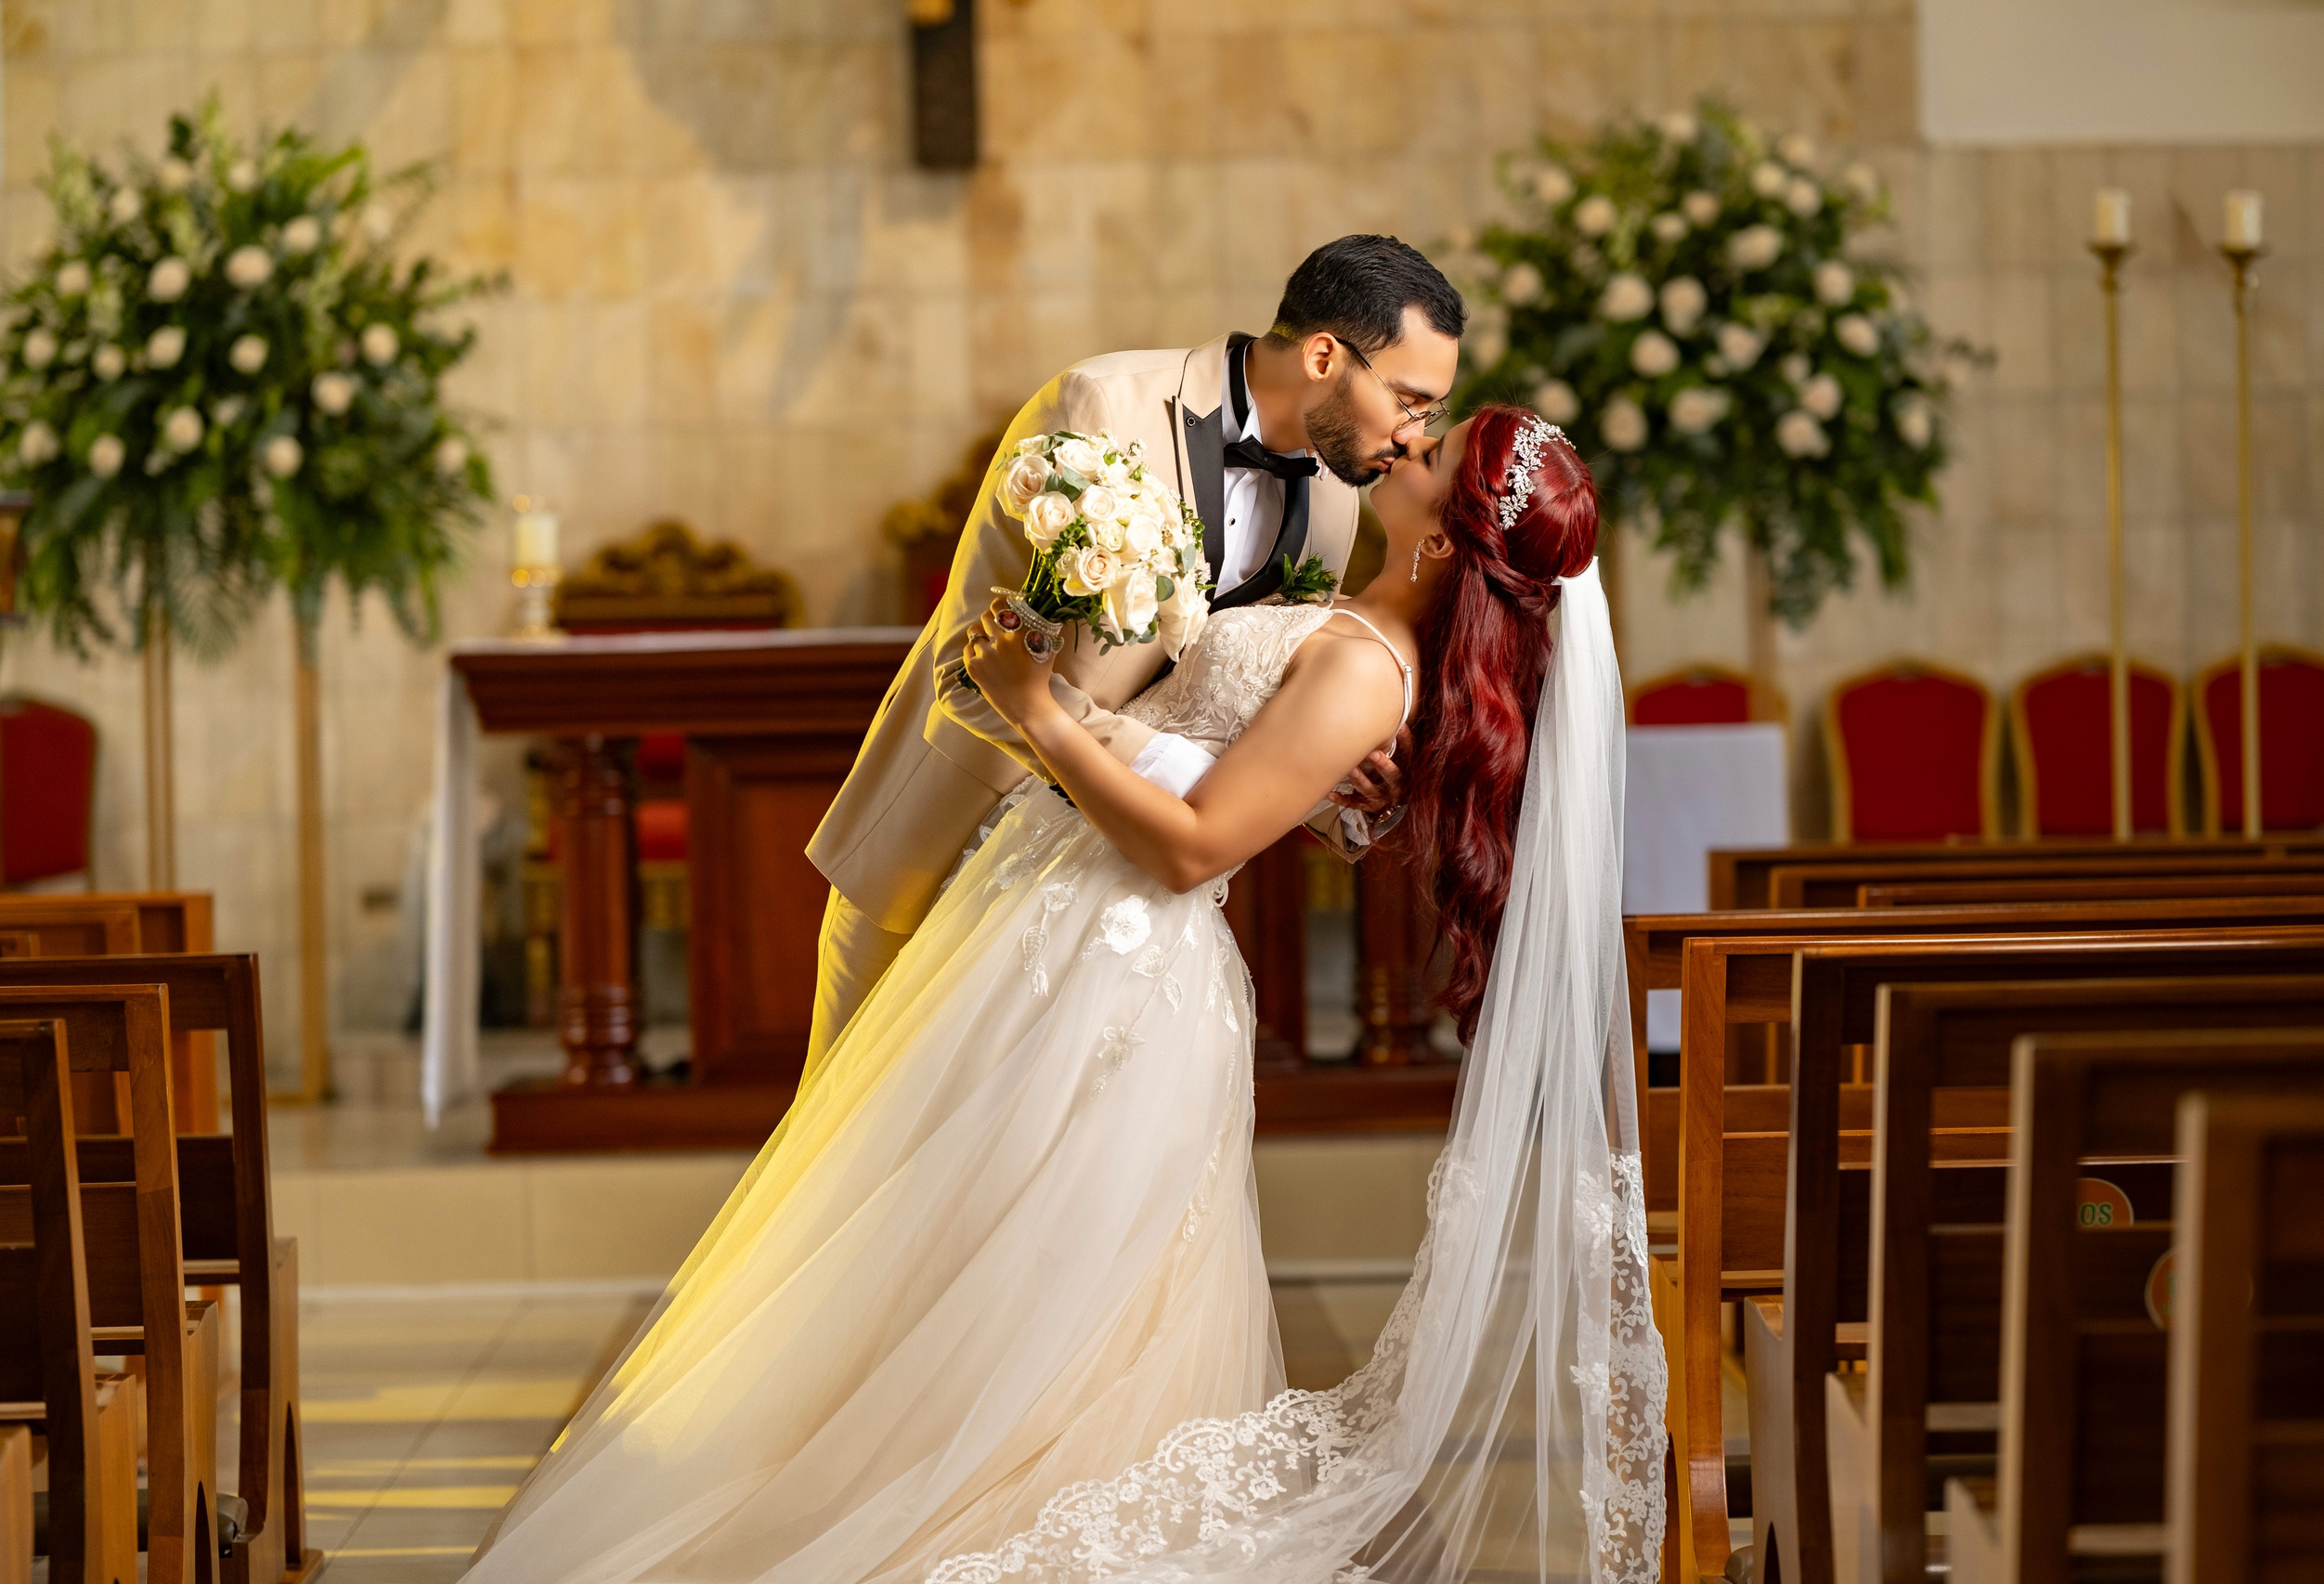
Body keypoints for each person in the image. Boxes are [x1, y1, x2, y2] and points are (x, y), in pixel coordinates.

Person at [463, 406, 1666, 1584]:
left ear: (1448, 539)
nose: (1405, 441)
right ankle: (940, 1481)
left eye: (1433, 451)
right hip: (1062, 926)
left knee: (1053, 1286)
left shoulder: (1363, 661)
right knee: (975, 1258)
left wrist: (1041, 710)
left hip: (1122, 966)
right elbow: (1216, 761)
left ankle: (995, 1518)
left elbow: (1193, 844)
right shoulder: (1359, 632)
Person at [801, 235, 1466, 1075]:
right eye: (1410, 401)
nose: (1414, 437)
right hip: (949, 855)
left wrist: (1333, 788)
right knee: (855, 1169)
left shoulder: (1337, 494)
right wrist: (1178, 784)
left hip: (1112, 908)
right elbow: (973, 676)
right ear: (1327, 356)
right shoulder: (1100, 406)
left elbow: (1234, 693)